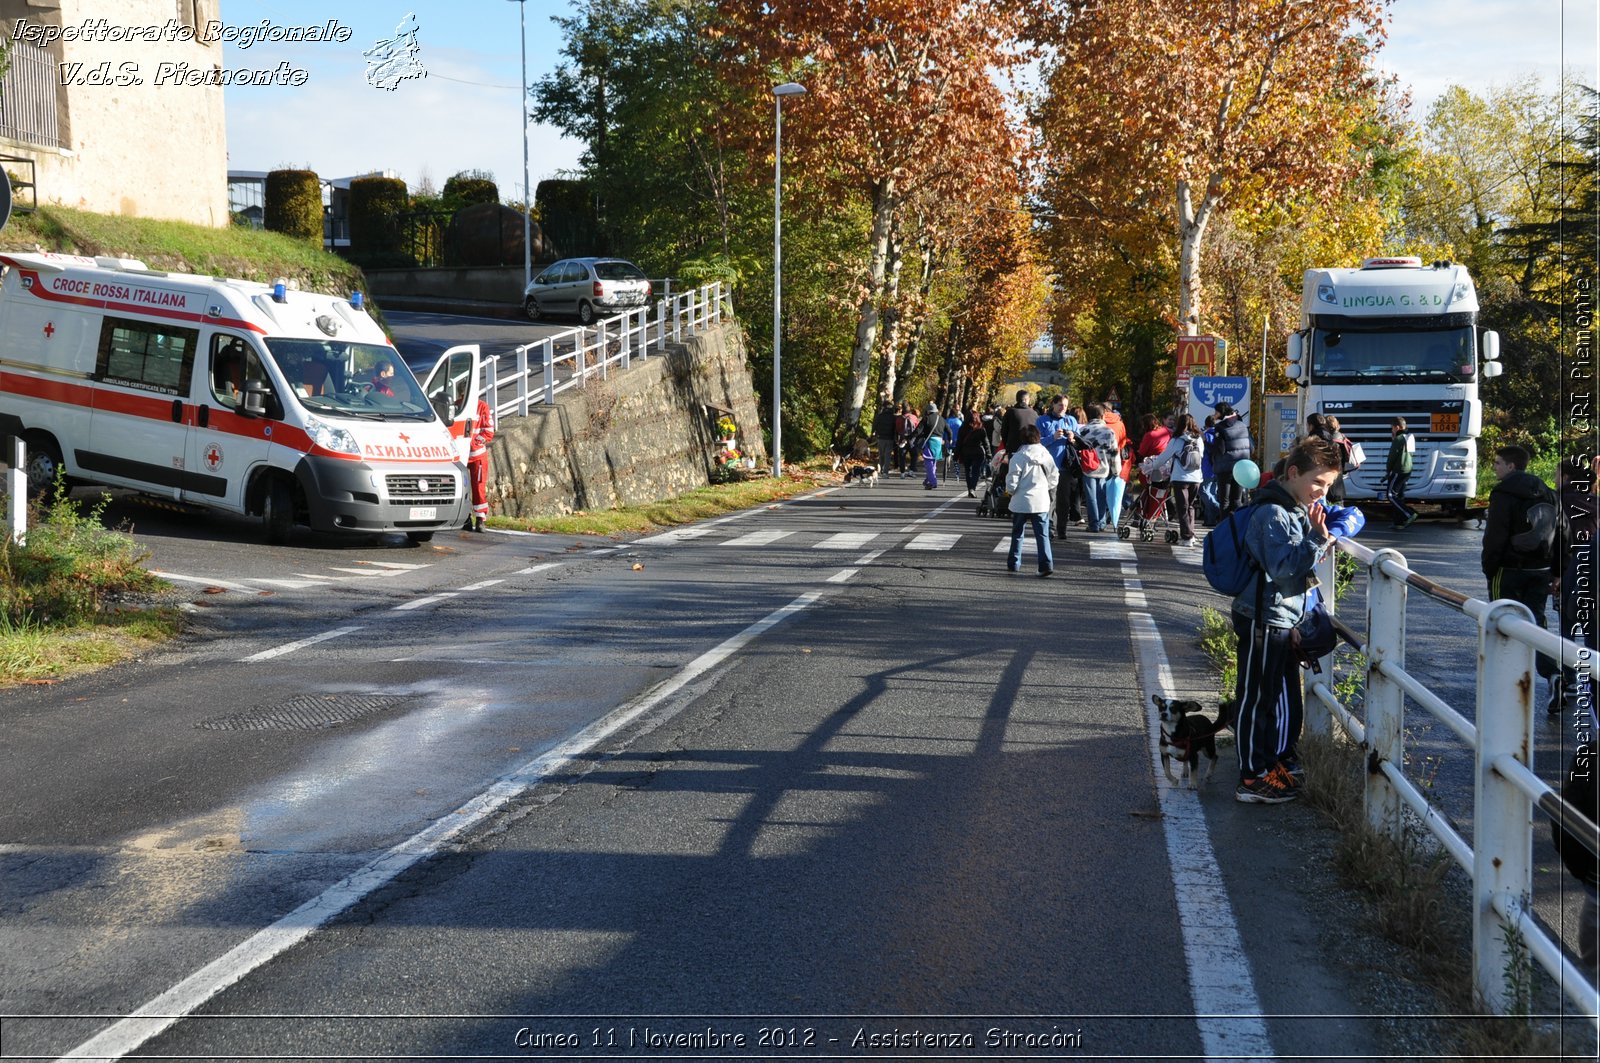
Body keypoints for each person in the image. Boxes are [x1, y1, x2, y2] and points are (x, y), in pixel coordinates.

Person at [1231, 436, 1343, 804]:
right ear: (1293, 473)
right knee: (1255, 697)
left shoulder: (1290, 506)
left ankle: (1265, 764)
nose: (1321, 492)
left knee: (1265, 695)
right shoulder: (1274, 513)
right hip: (1263, 617)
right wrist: (1316, 541)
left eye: (1327, 486)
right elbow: (1281, 568)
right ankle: (1251, 777)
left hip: (1277, 615)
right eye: (1318, 483)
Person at [1483, 444, 1559, 694]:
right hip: (1541, 567)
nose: (1494, 467)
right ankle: (1552, 673)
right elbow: (1563, 532)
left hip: (1508, 568)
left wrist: (1489, 567)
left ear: (1511, 466)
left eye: (1497, 463)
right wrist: (1556, 569)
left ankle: (1506, 681)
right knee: (1537, 622)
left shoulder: (1503, 493)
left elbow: (1496, 534)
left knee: (1501, 619)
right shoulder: (1548, 492)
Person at [1552, 456, 1598, 715]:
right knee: (1593, 630)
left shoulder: (1558, 502)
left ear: (1567, 478)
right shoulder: (1597, 504)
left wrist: (1554, 574)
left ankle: (1568, 678)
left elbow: (1553, 539)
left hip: (1567, 572)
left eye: (1557, 475)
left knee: (1567, 629)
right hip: (1594, 574)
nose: (1555, 479)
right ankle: (1593, 678)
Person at [1004, 424, 1058, 576]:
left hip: (1021, 501)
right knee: (1042, 535)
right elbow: (1054, 475)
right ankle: (1046, 565)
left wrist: (1011, 491)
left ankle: (1014, 563)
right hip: (1040, 501)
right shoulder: (1046, 454)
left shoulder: (1018, 456)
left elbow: (1012, 479)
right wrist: (1047, 487)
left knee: (1017, 533)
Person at [1151, 414, 1204, 546]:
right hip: (1196, 478)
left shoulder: (1176, 440)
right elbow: (1201, 456)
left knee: (1182, 507)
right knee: (1190, 506)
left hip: (1180, 478)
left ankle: (1186, 537)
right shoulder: (1198, 440)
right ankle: (1190, 534)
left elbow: (1164, 457)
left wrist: (1153, 466)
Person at [1036, 395, 1080, 536]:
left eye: (1066, 406)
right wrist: (1052, 437)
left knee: (1064, 500)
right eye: (1060, 405)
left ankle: (1062, 529)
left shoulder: (1071, 420)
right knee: (1049, 499)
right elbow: (1037, 443)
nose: (1063, 408)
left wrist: (1073, 439)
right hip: (1047, 467)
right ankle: (1049, 528)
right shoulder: (1042, 420)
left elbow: (1080, 443)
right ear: (1053, 405)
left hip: (1065, 466)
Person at [1076, 403, 1118, 532]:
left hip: (1087, 468)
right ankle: (1102, 522)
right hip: (1104, 468)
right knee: (1102, 496)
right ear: (1102, 415)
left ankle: (1093, 524)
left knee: (1091, 497)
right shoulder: (1109, 431)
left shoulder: (1082, 430)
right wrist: (1116, 471)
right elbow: (1114, 453)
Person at [1209, 401, 1253, 516]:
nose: (1215, 414)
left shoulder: (1220, 427)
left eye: (1216, 412)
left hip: (1225, 469)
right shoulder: (1243, 426)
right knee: (1237, 500)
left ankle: (1224, 530)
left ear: (1220, 413)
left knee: (1224, 501)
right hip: (1241, 467)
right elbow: (1252, 448)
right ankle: (1238, 527)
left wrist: (1208, 445)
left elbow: (1220, 449)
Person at [466, 386, 495, 532]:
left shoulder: (482, 407)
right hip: (462, 455)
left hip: (477, 455)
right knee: (462, 488)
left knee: (478, 487)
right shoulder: (459, 405)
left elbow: (489, 431)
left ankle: (480, 519)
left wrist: (474, 444)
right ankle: (465, 517)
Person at [1306, 412, 1349, 505]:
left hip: (1320, 491)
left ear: (1311, 426)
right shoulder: (1333, 439)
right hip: (1337, 488)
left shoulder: (1312, 441)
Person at [1383, 417, 1419, 529]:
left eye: (1392, 428)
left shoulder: (1398, 439)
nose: (1392, 431)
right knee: (1400, 495)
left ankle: (1409, 514)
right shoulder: (1410, 437)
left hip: (1398, 470)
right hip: (1408, 469)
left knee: (1391, 495)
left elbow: (1392, 458)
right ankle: (1399, 522)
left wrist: (1388, 471)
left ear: (1397, 427)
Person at [956, 407, 991, 497]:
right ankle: (972, 488)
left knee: (968, 471)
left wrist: (956, 455)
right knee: (976, 471)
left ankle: (969, 489)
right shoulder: (980, 428)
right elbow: (986, 442)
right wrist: (989, 454)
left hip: (966, 452)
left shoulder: (962, 428)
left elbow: (959, 442)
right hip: (978, 452)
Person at [1000, 389, 1038, 456]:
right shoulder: (1034, 413)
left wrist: (1007, 446)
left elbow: (1004, 431)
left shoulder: (1010, 412)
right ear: (1026, 400)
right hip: (1030, 450)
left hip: (1013, 449)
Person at [871, 396, 897, 475]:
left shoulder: (879, 416)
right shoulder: (893, 417)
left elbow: (875, 425)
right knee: (887, 455)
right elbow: (895, 428)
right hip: (890, 438)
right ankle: (885, 471)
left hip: (880, 437)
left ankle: (881, 468)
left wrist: (874, 433)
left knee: (881, 454)